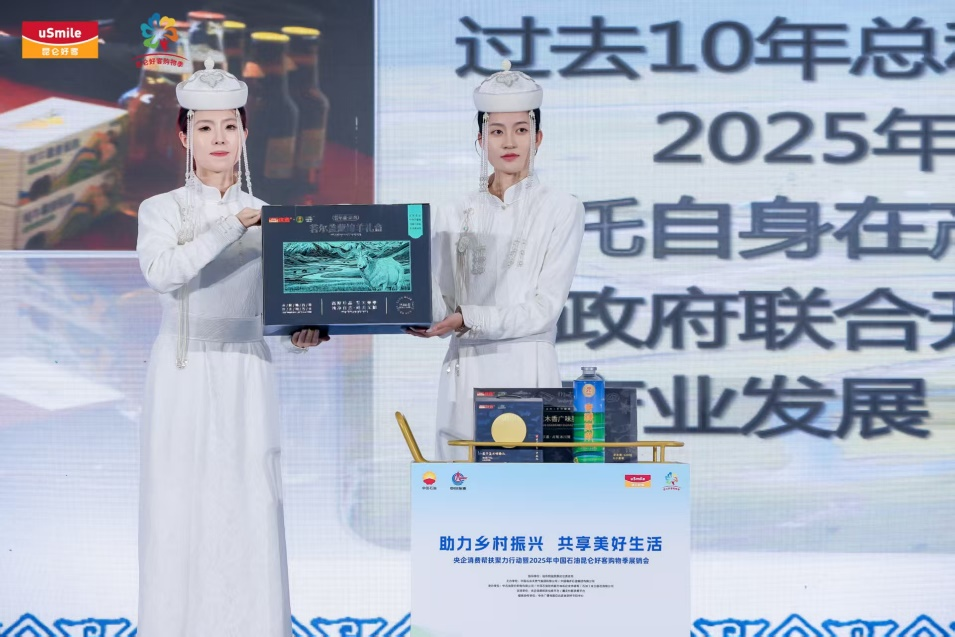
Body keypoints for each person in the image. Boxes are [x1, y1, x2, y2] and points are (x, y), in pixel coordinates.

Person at [135, 58, 327, 636]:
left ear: (245, 132)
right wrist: (231, 226)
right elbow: (163, 274)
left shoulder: (274, 218)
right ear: (184, 136)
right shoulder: (161, 209)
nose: (218, 138)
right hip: (182, 369)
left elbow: (276, 305)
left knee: (251, 499)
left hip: (248, 369)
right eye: (204, 127)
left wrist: (303, 332)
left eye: (229, 126)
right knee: (179, 501)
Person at [406, 61, 585, 460]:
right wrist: (407, 309)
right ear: (481, 140)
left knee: (527, 490)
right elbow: (442, 302)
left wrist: (467, 318)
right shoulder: (455, 211)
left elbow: (544, 310)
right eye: (497, 131)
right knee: (460, 486)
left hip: (529, 370)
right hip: (466, 370)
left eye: (521, 130)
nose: (509, 142)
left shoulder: (562, 208)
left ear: (538, 138)